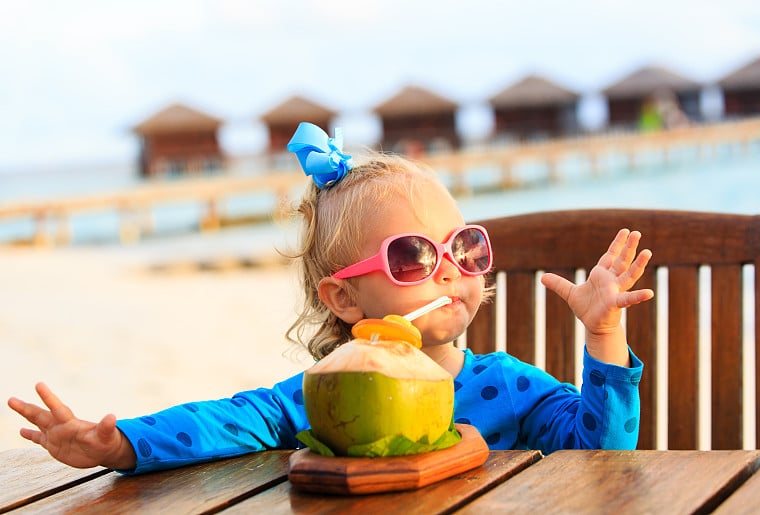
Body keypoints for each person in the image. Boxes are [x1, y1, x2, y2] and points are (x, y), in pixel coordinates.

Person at [8, 122, 654, 474]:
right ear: (344, 298)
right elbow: (225, 421)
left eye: (465, 246)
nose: (452, 271)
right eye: (413, 256)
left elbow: (601, 452)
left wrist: (602, 337)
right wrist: (123, 445)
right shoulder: (322, 394)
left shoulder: (506, 386)